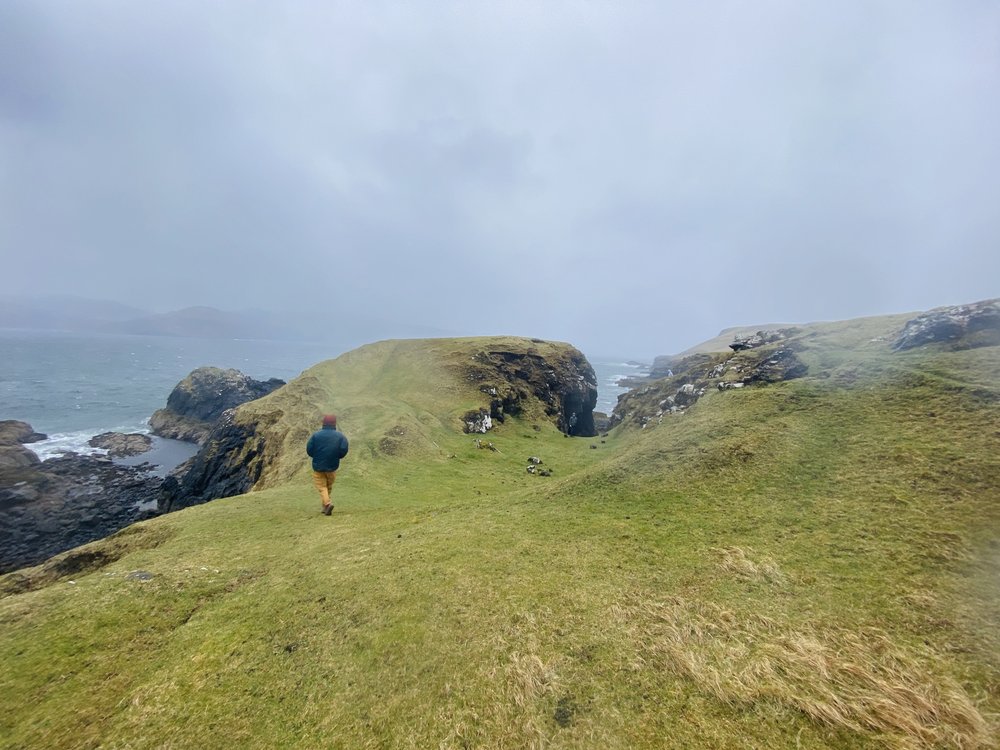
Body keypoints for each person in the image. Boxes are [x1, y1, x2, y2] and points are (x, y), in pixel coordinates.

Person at [306, 414, 349, 516]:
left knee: (322, 487)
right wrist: (337, 456)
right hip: (332, 466)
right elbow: (344, 449)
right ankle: (325, 507)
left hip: (318, 466)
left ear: (323, 423)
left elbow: (309, 450)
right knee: (328, 486)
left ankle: (327, 504)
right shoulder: (340, 436)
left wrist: (316, 456)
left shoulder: (316, 435)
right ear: (334, 423)